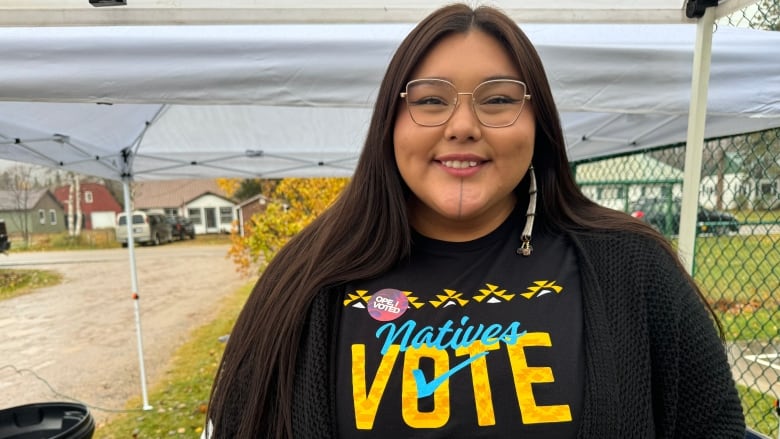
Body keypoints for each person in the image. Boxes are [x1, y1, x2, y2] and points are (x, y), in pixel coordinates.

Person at [206, 4, 745, 438]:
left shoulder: (633, 268)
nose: (463, 125)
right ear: (390, 121)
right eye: (432, 100)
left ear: (539, 121)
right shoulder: (302, 280)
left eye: (499, 99)